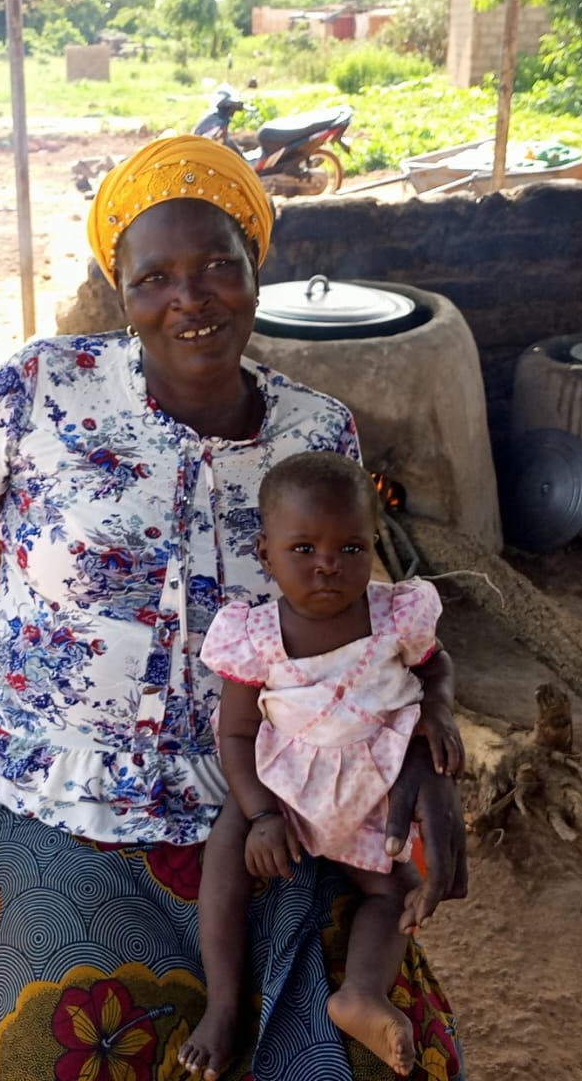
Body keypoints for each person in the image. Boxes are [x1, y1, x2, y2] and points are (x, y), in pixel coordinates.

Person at [0, 133, 468, 1081]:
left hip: (268, 805)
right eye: (155, 277)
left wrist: (420, 754)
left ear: (257, 267)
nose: (191, 297)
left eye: (219, 264)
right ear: (120, 290)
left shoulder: (315, 429)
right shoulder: (39, 391)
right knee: (77, 1052)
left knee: (386, 1064)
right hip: (51, 804)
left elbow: (352, 626)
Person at [180, 452, 464, 1080]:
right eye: (304, 547)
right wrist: (258, 815)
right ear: (266, 551)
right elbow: (235, 732)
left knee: (391, 894)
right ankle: (224, 1004)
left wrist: (439, 713)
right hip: (286, 787)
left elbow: (436, 666)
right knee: (225, 848)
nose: (329, 564)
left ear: (373, 545)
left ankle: (360, 994)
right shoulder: (255, 635)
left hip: (372, 792)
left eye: (352, 548)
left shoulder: (396, 615)